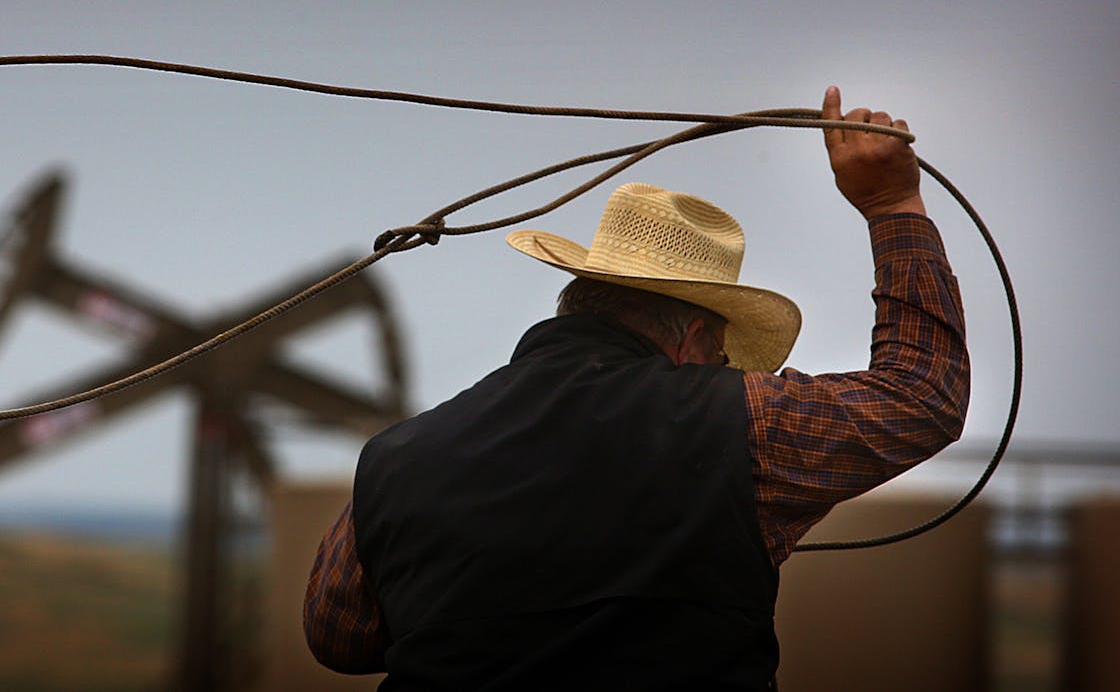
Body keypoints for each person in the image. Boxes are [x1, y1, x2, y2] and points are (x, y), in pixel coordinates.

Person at [302, 87, 969, 690]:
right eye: (720, 350)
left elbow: (337, 636)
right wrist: (893, 204)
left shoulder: (399, 456)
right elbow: (921, 395)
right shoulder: (741, 425)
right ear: (690, 339)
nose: (722, 366)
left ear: (578, 303)